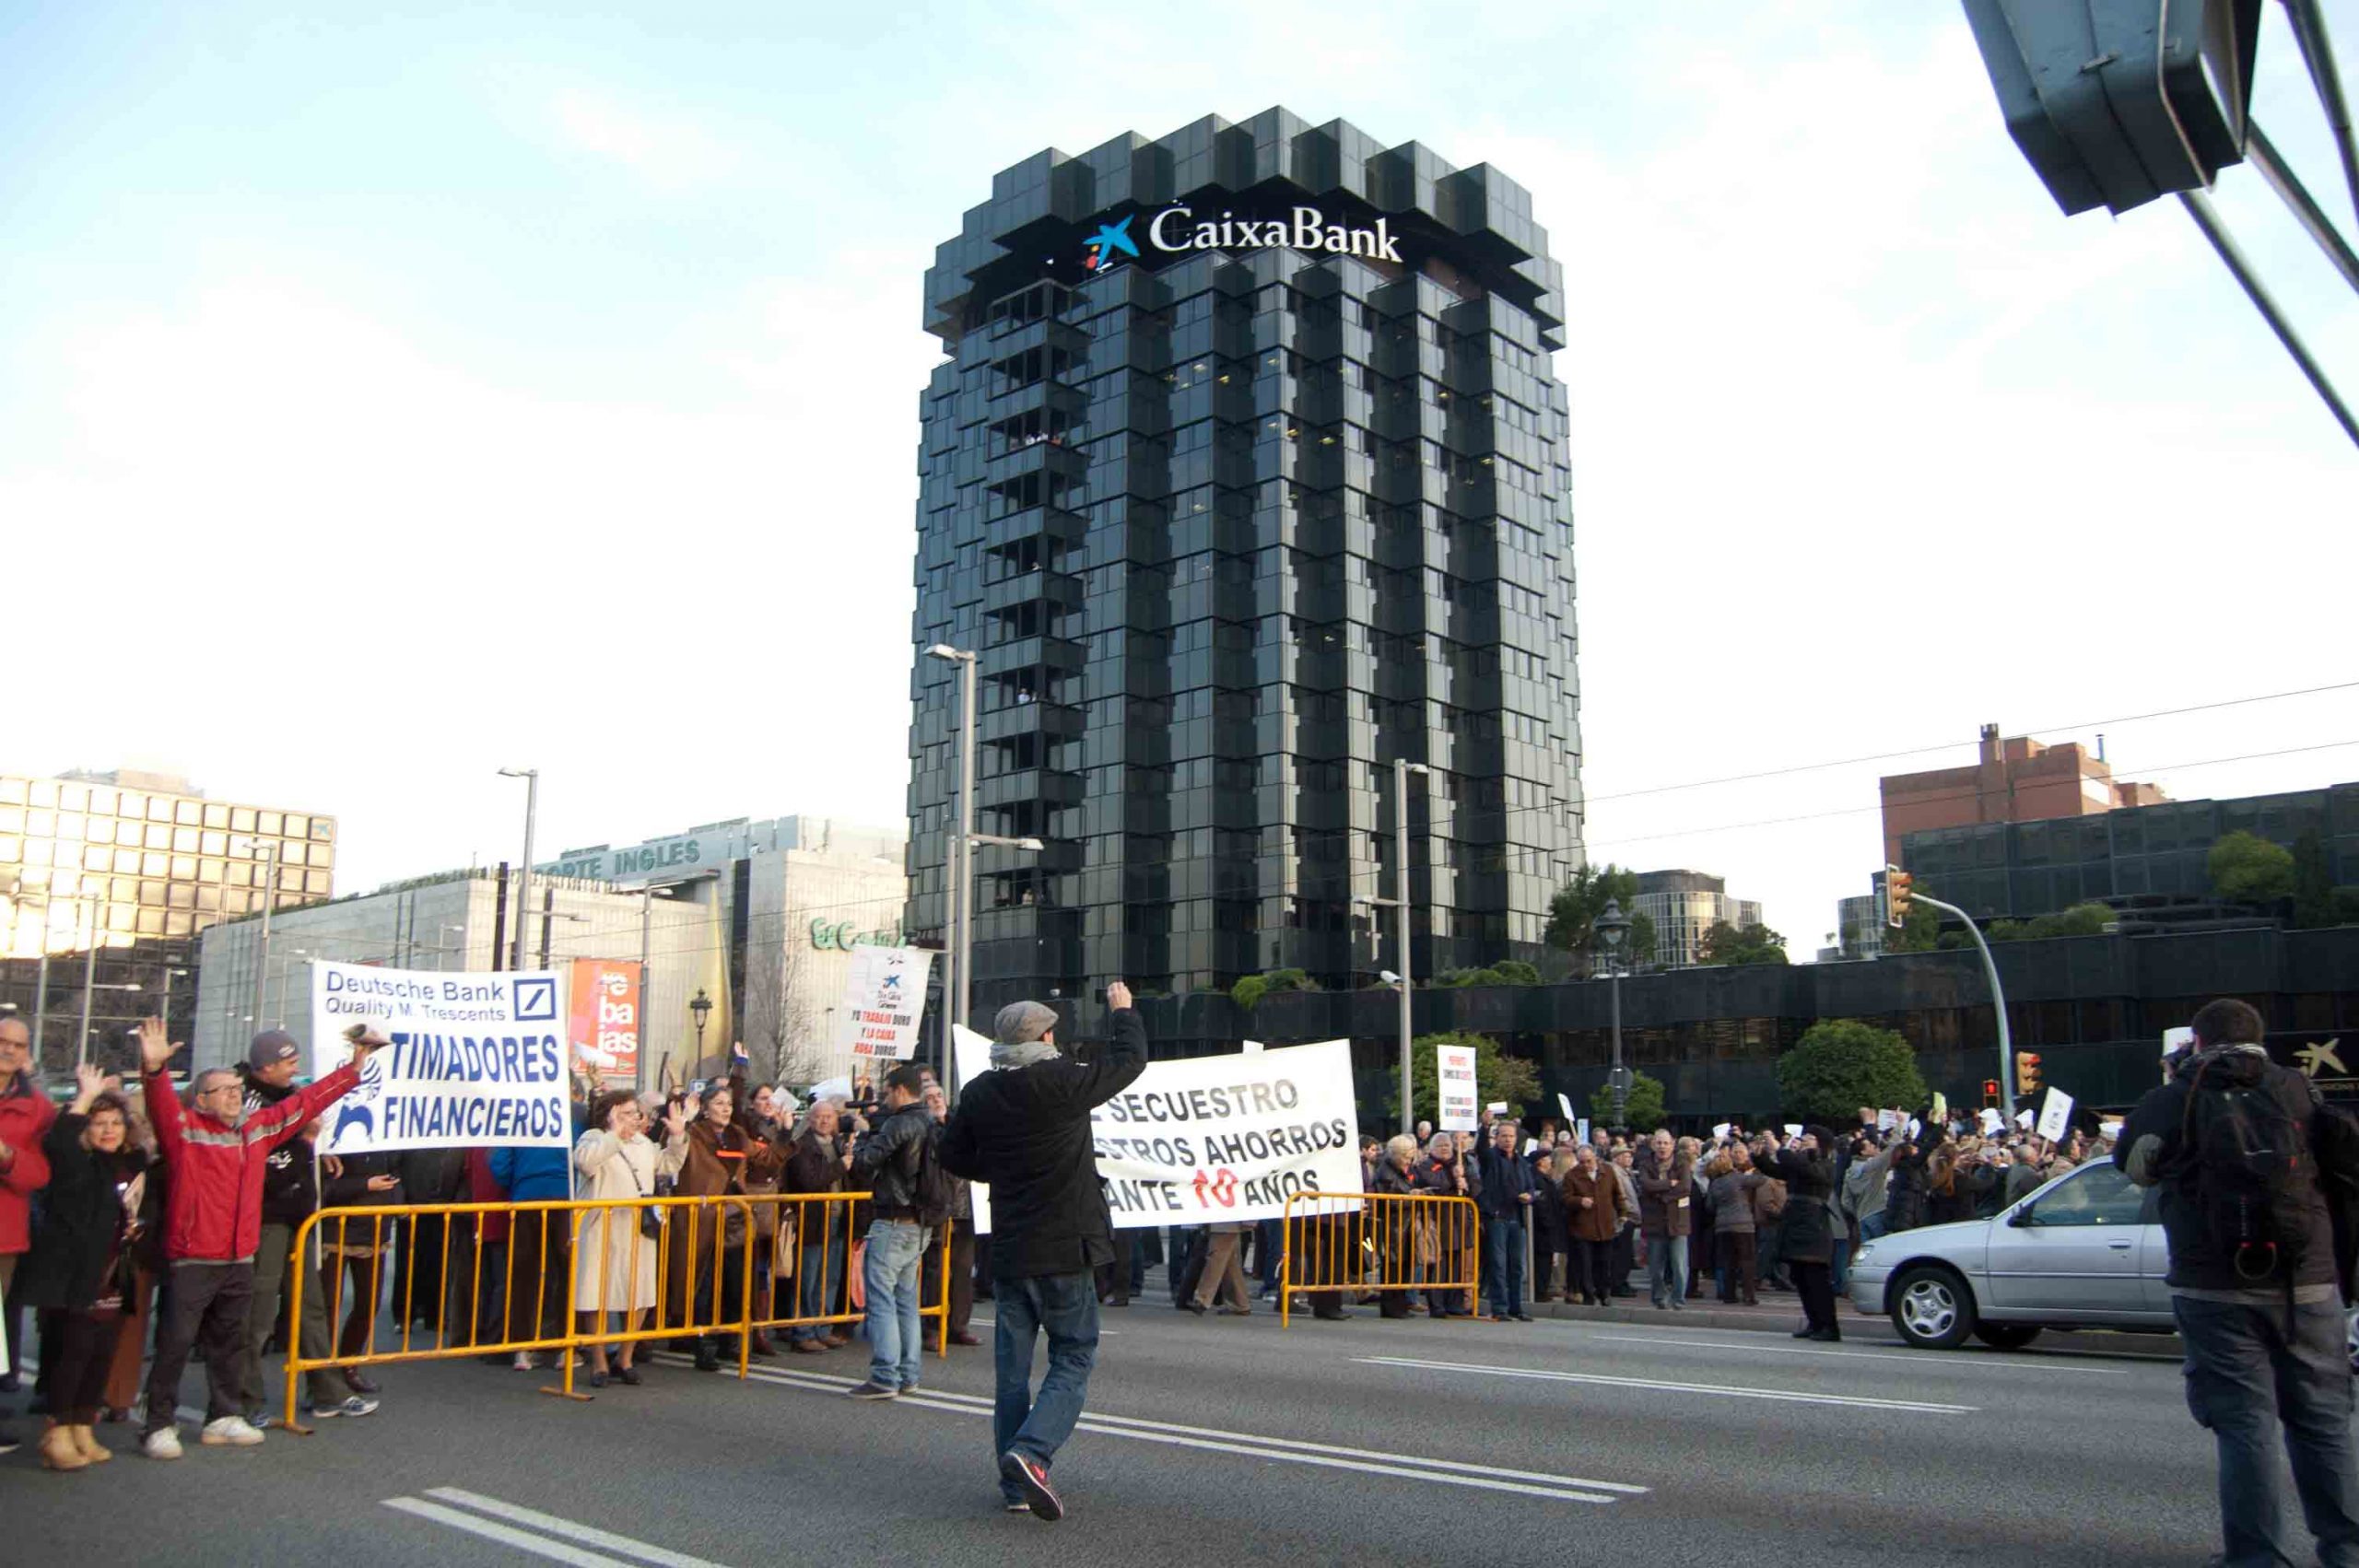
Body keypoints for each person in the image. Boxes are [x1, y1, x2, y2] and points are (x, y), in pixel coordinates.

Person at [2119, 998, 2359, 1568]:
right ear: (2260, 1038)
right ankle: (2346, 1551)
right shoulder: (2300, 1089)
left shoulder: (2176, 1096)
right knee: (2322, 1422)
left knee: (2245, 1423)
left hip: (2213, 1285)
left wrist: (2174, 1088)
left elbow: (2134, 1166)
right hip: (2309, 1280)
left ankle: (2257, 1557)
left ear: (2197, 1042)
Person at [940, 984, 1149, 1522]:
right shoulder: (1064, 1081)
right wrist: (1122, 1012)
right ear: (1045, 1037)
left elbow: (952, 1153)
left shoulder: (982, 1091)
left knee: (1012, 1373)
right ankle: (1031, 1454)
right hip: (1064, 1247)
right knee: (1074, 1354)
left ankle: (1012, 1484)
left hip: (1010, 1249)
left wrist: (1000, 1171)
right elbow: (1130, 1062)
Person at [135, 1015, 370, 1459]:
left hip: (239, 1256)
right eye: (223, 1090)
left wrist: (352, 1071)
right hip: (193, 1257)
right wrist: (154, 1070)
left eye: (236, 1090)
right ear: (201, 1099)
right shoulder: (184, 1132)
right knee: (177, 1342)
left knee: (231, 1340)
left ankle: (223, 1415)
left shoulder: (254, 1130)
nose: (234, 1095)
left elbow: (303, 1103)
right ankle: (157, 1423)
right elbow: (161, 1105)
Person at [232, 1030, 371, 1427]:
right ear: (265, 1066)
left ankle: (326, 1390)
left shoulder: (291, 1097)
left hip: (299, 1219)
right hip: (267, 1219)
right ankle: (246, 1398)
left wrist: (313, 1148)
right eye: (287, 1060)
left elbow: (304, 1116)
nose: (296, 1066)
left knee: (310, 1308)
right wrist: (300, 1148)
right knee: (258, 1313)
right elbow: (264, 1160)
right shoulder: (250, 1104)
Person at [18, 1064, 147, 1469]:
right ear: (86, 1130)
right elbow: (58, 1140)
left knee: (100, 1354)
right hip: (75, 1274)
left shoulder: (133, 1164)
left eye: (115, 1123)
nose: (108, 1130)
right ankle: (56, 1433)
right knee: (72, 1353)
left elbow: (148, 1204)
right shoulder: (75, 1163)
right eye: (98, 1124)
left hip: (116, 1272)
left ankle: (82, 1426)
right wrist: (85, 1098)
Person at [666, 1081, 785, 1372]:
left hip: (735, 1220)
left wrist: (784, 1133)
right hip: (702, 1218)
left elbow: (767, 1161)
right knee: (702, 1287)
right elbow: (671, 1152)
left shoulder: (738, 1134)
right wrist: (683, 1120)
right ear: (705, 1108)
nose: (725, 1109)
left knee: (735, 1284)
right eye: (719, 1103)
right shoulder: (692, 1133)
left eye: (729, 1104)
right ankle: (702, 1344)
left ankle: (730, 1342)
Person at [845, 1063, 942, 1399]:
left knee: (883, 1300)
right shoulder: (931, 1121)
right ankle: (909, 1373)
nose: (885, 1098)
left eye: (887, 1091)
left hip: (894, 1219)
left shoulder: (899, 1123)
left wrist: (861, 1138)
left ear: (901, 1090)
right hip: (921, 1221)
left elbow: (865, 1162)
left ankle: (885, 1374)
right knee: (906, 1300)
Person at [572, 1090, 680, 1387]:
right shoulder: (593, 1138)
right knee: (596, 1295)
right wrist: (614, 1135)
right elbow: (585, 1162)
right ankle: (599, 1362)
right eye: (631, 1113)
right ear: (612, 1113)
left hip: (636, 1228)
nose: (637, 1119)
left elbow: (668, 1167)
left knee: (640, 1294)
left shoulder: (644, 1144)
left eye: (637, 1113)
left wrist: (678, 1138)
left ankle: (625, 1357)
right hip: (601, 1228)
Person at [0, 1012, 55, 1456]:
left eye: (17, 1044)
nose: (8, 1049)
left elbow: (40, 1172)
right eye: (2, 1040)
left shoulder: (37, 1106)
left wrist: (6, 1158)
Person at [488, 1113, 574, 1372]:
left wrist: (518, 1183)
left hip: (526, 1199)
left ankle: (521, 1349)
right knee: (566, 1273)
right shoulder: (571, 1119)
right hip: (565, 1199)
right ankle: (564, 1346)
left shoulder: (518, 1120)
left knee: (523, 1274)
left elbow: (499, 1164)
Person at [782, 1098, 853, 1354]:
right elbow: (809, 1180)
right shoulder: (802, 1147)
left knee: (830, 1276)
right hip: (813, 1219)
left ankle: (822, 1327)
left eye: (829, 1117)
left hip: (838, 1217)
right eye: (819, 1117)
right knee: (808, 1277)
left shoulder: (839, 1145)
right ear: (810, 1120)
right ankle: (803, 1330)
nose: (825, 1121)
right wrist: (839, 1166)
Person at [918, 1083, 982, 1346]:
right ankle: (932, 1327)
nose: (936, 1101)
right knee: (935, 1270)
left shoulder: (960, 1126)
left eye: (939, 1096)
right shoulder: (923, 1130)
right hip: (938, 1209)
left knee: (963, 1269)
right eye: (930, 1097)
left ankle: (958, 1325)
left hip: (965, 1209)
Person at [1773, 1127, 1840, 1341]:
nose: (1804, 1141)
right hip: (1796, 1224)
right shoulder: (1801, 1163)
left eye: (1810, 1138)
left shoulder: (1824, 1164)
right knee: (1800, 1277)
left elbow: (1803, 1168)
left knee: (1816, 1279)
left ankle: (1829, 1326)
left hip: (1814, 1227)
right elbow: (1778, 1170)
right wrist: (1760, 1155)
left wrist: (1781, 1149)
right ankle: (1814, 1322)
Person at [1473, 1121, 1538, 1322]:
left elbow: (1530, 1186)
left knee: (1517, 1266)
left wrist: (1529, 1196)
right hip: (1497, 1217)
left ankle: (1515, 1306)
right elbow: (1481, 1149)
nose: (1508, 1140)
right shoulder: (1491, 1157)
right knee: (1498, 1264)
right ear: (1497, 1137)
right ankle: (1499, 1307)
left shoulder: (1521, 1161)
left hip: (1517, 1218)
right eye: (1503, 1136)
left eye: (1511, 1136)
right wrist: (1484, 1128)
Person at [1560, 1143, 1625, 1305]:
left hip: (1605, 1225)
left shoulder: (1607, 1172)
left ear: (1595, 1159)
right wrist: (1579, 1201)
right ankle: (1588, 1294)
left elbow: (1617, 1194)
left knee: (1604, 1263)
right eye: (1582, 1162)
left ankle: (1604, 1293)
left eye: (1589, 1161)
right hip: (1583, 1227)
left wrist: (1623, 1213)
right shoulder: (1571, 1176)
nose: (1586, 1166)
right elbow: (1565, 1198)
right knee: (1585, 1264)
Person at [1636, 1129, 1694, 1311]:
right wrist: (1669, 1184)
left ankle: (1678, 1299)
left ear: (1672, 1144)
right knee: (1655, 1267)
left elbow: (1685, 1188)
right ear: (1654, 1144)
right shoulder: (1646, 1164)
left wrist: (1663, 1197)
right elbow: (1646, 1185)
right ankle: (1659, 1297)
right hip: (1655, 1222)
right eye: (1659, 1143)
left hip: (1678, 1222)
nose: (1662, 1147)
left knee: (1679, 1265)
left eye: (1666, 1143)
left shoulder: (1681, 1164)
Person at [1708, 1145, 1766, 1305]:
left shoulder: (1714, 1183)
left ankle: (1729, 1294)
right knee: (1747, 1260)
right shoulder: (1738, 1178)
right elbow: (1761, 1180)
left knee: (1728, 1261)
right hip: (1743, 1224)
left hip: (1722, 1225)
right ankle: (1749, 1295)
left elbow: (1710, 1206)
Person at [1186, 1220, 1252, 1316]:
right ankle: (1240, 1303)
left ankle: (1202, 1299)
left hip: (1226, 1222)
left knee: (1216, 1258)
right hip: (1225, 1221)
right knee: (1230, 1264)